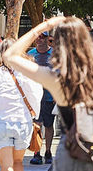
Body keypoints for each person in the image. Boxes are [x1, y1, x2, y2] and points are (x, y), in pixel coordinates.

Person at [7, 17, 93, 171]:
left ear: (58, 44)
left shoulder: (56, 79)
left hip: (70, 153)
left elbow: (10, 56)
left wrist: (43, 27)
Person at [0, 41, 42, 171]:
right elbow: (37, 94)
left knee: (6, 166)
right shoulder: (28, 71)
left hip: (1, 122)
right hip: (23, 122)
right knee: (18, 162)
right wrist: (34, 113)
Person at [26, 32, 55, 166]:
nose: (39, 39)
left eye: (42, 36)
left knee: (49, 125)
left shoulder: (55, 54)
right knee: (36, 124)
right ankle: (36, 151)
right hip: (34, 96)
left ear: (47, 39)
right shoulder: (30, 54)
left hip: (50, 96)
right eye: (37, 36)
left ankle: (48, 151)